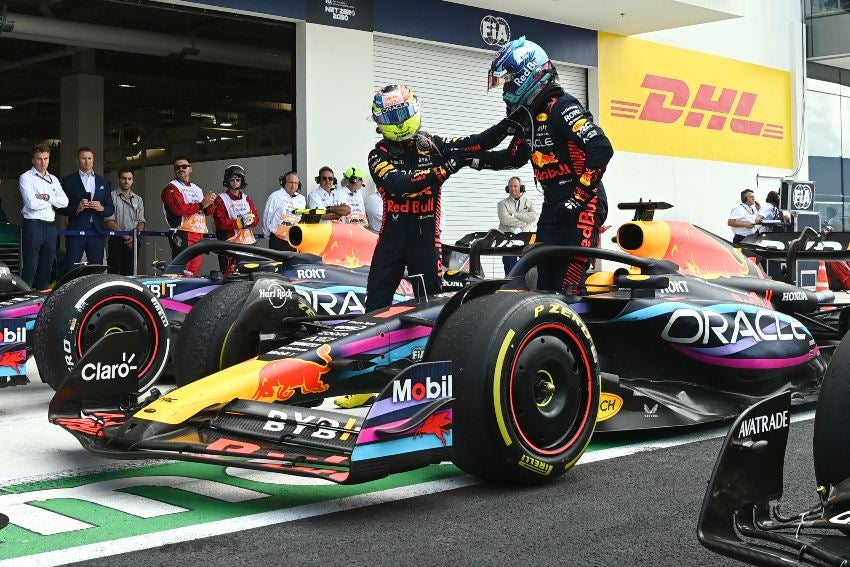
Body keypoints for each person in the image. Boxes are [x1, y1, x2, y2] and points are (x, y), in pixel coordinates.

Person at [466, 36, 614, 294]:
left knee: (568, 287)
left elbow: (601, 147)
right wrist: (470, 160)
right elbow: (512, 157)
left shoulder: (562, 106)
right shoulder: (529, 119)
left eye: (508, 80)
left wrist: (578, 197)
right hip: (553, 204)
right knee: (544, 285)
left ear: (527, 74)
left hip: (583, 202)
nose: (504, 89)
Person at [364, 83, 513, 313]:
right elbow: (398, 185)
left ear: (413, 109)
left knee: (430, 308)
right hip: (390, 243)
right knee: (375, 306)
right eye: (392, 116)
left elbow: (478, 142)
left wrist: (509, 124)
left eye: (403, 113)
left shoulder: (434, 146)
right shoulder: (377, 155)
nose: (400, 121)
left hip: (424, 243)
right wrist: (443, 171)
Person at [18, 144, 69, 288]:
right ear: (33, 160)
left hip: (50, 226)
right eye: (39, 159)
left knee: (47, 268)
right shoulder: (26, 178)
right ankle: (24, 302)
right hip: (33, 224)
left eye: (46, 158)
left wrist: (46, 197)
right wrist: (53, 200)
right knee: (30, 267)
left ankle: (42, 303)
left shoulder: (53, 179)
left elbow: (64, 202)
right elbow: (31, 204)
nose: (43, 162)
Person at [60, 147, 115, 273]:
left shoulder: (103, 181)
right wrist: (77, 208)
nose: (87, 161)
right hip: (76, 230)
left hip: (97, 231)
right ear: (77, 161)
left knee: (97, 270)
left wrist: (101, 208)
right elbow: (60, 208)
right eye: (83, 158)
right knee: (71, 270)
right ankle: (69, 293)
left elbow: (110, 208)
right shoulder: (69, 181)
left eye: (89, 158)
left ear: (93, 160)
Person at [161, 156, 217, 276]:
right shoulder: (171, 188)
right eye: (177, 167)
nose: (181, 169)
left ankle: (193, 295)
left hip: (198, 234)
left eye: (184, 166)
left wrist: (211, 203)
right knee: (182, 272)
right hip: (182, 233)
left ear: (190, 169)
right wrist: (202, 204)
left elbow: (207, 211)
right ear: (174, 170)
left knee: (194, 271)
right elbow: (179, 210)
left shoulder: (197, 189)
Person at [212, 164, 259, 275]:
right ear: (227, 181)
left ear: (242, 181)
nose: (235, 182)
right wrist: (240, 222)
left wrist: (251, 221)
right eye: (232, 179)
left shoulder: (247, 198)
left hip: (248, 243)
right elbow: (220, 223)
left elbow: (256, 219)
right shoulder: (220, 199)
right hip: (230, 244)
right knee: (230, 276)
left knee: (249, 275)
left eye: (238, 179)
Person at [104, 168, 145, 276]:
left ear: (132, 180)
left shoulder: (138, 199)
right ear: (119, 179)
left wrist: (134, 237)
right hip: (116, 240)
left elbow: (141, 222)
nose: (126, 181)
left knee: (131, 274)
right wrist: (126, 236)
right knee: (113, 273)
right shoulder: (111, 197)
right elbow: (109, 221)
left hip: (134, 241)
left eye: (129, 179)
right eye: (124, 178)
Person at [497, 176, 538, 275]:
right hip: (508, 240)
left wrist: (514, 215)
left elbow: (533, 216)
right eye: (510, 186)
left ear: (521, 188)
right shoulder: (502, 204)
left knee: (527, 265)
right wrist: (523, 221)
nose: (512, 189)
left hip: (526, 239)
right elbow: (504, 219)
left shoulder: (529, 202)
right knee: (509, 265)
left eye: (515, 186)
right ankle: (510, 287)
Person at [263, 171, 306, 251]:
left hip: (294, 239)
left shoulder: (302, 199)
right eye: (291, 182)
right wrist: (268, 235)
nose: (293, 186)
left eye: (296, 183)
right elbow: (267, 217)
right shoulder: (275, 196)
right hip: (277, 240)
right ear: (284, 183)